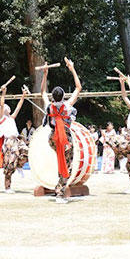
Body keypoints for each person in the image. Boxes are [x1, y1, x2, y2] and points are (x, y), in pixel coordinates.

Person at [41, 58, 82, 204]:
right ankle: (59, 193)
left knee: (61, 161)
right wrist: (72, 68)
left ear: (53, 97)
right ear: (63, 96)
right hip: (65, 139)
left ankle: (59, 187)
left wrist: (45, 74)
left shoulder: (49, 106)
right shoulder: (67, 105)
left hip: (53, 138)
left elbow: (42, 92)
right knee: (67, 165)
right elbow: (78, 87)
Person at [0, 84, 30, 193]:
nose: (9, 108)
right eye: (6, 108)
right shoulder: (1, 119)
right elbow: (2, 103)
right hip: (8, 142)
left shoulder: (12, 118)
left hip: (17, 140)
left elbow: (19, 106)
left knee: (28, 153)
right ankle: (7, 187)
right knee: (9, 164)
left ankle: (19, 165)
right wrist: (4, 92)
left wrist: (23, 95)